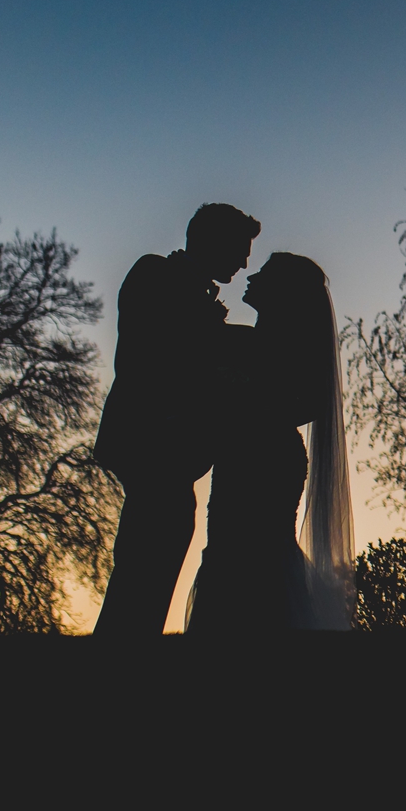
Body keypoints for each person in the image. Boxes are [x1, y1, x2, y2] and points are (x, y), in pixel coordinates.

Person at [92, 203, 261, 635]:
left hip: (170, 446)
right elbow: (150, 355)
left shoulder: (192, 291)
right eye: (239, 250)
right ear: (211, 240)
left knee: (162, 539)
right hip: (149, 437)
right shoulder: (153, 275)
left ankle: (133, 634)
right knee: (150, 547)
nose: (244, 262)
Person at [184, 251, 356, 633]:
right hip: (237, 456)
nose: (253, 276)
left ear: (282, 291)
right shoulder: (242, 339)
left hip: (270, 458)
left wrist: (248, 394)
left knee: (258, 551)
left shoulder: (287, 350)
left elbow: (307, 402)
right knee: (228, 548)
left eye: (265, 273)